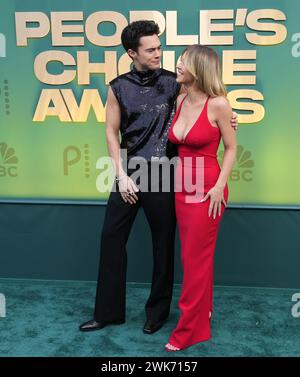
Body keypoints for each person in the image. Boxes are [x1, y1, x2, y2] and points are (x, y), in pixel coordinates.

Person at [79, 21, 238, 335]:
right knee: (111, 238)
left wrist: (233, 117)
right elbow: (111, 132)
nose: (158, 53)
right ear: (131, 53)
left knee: (162, 245)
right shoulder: (117, 86)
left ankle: (157, 313)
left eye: (159, 47)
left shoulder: (174, 82)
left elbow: (208, 101)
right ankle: (108, 314)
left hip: (166, 174)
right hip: (129, 172)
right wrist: (121, 175)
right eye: (150, 49)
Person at [165, 45, 237, 351]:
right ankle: (203, 312)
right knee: (195, 259)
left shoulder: (219, 105)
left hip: (208, 190)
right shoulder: (180, 99)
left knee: (193, 261)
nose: (178, 66)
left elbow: (232, 148)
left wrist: (221, 185)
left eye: (183, 62)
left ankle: (190, 330)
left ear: (200, 68)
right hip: (182, 187)